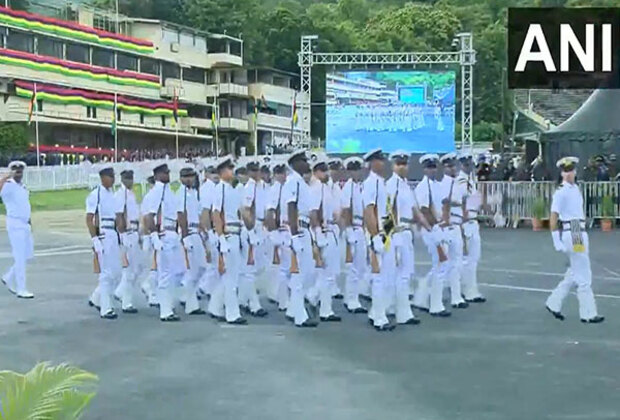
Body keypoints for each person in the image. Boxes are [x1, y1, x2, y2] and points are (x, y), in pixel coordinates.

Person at [545, 156, 604, 324]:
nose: (569, 174)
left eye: (571, 170)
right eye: (565, 171)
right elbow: (553, 217)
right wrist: (556, 239)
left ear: (575, 171)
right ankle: (588, 313)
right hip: (574, 231)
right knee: (583, 273)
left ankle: (554, 302)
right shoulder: (561, 192)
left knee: (574, 272)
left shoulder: (575, 189)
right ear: (562, 173)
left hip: (578, 229)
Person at [385, 151, 424, 325]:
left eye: (405, 164)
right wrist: (388, 236)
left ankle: (395, 308)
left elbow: (415, 211)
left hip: (407, 231)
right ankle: (402, 312)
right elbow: (389, 211)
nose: (402, 167)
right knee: (401, 275)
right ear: (393, 166)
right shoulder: (391, 184)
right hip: (397, 232)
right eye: (399, 163)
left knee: (405, 274)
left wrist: (428, 227)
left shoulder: (406, 185)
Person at [208, 156, 247, 325]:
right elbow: (216, 214)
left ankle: (215, 307)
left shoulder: (233, 190)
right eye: (229, 169)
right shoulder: (220, 189)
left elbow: (238, 214)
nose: (232, 171)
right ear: (222, 172)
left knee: (230, 276)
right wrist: (221, 237)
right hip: (228, 235)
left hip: (236, 233)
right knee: (231, 277)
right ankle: (232, 313)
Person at [282, 150, 318, 327]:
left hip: (305, 229)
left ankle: (293, 309)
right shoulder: (293, 181)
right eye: (303, 160)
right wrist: (294, 234)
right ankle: (299, 316)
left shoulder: (301, 182)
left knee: (306, 274)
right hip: (298, 230)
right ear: (295, 163)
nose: (307, 163)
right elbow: (291, 207)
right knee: (299, 275)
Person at [144, 163, 185, 322]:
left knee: (178, 271)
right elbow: (149, 216)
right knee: (165, 273)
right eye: (164, 172)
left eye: (168, 172)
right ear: (157, 175)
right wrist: (154, 237)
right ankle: (165, 310)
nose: (168, 174)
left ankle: (167, 302)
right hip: (164, 234)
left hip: (173, 233)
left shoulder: (169, 191)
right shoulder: (158, 191)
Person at [413, 154, 451, 317]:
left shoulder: (436, 185)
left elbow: (441, 205)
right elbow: (424, 211)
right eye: (429, 167)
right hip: (430, 229)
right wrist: (434, 226)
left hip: (437, 227)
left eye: (434, 166)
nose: (432, 170)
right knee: (441, 264)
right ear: (424, 169)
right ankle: (435, 305)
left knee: (439, 265)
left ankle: (421, 296)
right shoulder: (423, 187)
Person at [362, 148, 395, 331]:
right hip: (377, 233)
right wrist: (374, 237)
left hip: (385, 232)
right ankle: (379, 318)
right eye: (379, 160)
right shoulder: (371, 183)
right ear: (372, 163)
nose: (383, 163)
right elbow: (369, 211)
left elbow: (386, 211)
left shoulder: (380, 183)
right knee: (378, 276)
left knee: (385, 274)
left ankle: (376, 311)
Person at [85, 165, 123, 319]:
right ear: (103, 178)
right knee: (106, 273)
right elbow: (89, 218)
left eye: (113, 176)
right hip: (103, 234)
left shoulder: (111, 194)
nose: (113, 179)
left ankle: (96, 298)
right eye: (110, 176)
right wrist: (95, 239)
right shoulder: (96, 194)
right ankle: (105, 308)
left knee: (116, 272)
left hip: (113, 233)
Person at [307, 158, 340, 322]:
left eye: (326, 169)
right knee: (327, 273)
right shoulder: (316, 188)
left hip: (330, 230)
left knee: (326, 274)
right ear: (315, 172)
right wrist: (318, 234)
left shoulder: (326, 187)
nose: (326, 172)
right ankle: (312, 297)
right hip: (324, 232)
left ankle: (325, 308)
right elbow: (313, 213)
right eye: (322, 169)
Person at [0, 161, 34, 299]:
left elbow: (25, 205)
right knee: (19, 256)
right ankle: (21, 288)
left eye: (20, 169)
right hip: (15, 224)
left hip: (25, 224)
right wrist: (5, 177)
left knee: (27, 255)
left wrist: (30, 223)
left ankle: (8, 277)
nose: (18, 171)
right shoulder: (8, 186)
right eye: (15, 169)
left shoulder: (23, 187)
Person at [439, 153, 468, 309]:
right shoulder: (444, 184)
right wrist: (446, 223)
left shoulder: (457, 184)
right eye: (448, 166)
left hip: (457, 226)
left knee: (457, 263)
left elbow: (462, 204)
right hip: (448, 227)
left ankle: (456, 297)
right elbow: (444, 205)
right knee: (443, 264)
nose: (452, 168)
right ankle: (426, 293)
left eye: (453, 166)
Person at [239, 159, 268, 317]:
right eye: (253, 170)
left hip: (262, 227)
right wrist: (250, 231)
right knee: (249, 269)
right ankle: (254, 305)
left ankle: (242, 299)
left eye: (258, 170)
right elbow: (246, 210)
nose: (257, 173)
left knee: (258, 267)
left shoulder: (263, 186)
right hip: (252, 227)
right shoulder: (250, 187)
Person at [177, 167, 207, 316]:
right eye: (186, 177)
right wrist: (185, 236)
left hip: (197, 231)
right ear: (181, 178)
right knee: (192, 269)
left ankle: (187, 295)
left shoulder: (193, 194)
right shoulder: (181, 193)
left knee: (201, 267)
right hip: (188, 231)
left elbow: (199, 214)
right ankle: (190, 303)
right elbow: (181, 214)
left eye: (192, 176)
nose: (190, 179)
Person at [457, 152, 486, 303]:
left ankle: (470, 289)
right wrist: (462, 224)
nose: (469, 167)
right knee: (467, 259)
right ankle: (467, 290)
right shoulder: (461, 181)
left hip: (473, 220)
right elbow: (461, 203)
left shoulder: (471, 181)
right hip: (467, 222)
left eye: (470, 164)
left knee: (473, 259)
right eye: (466, 164)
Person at [340, 157, 368, 314]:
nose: (355, 172)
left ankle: (351, 296)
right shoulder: (348, 188)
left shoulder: (361, 187)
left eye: (357, 169)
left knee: (361, 267)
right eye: (352, 170)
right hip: (353, 228)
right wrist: (348, 230)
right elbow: (346, 211)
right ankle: (351, 300)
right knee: (353, 268)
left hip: (361, 228)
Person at [114, 169, 140, 313]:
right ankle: (126, 302)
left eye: (131, 178)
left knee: (135, 268)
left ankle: (120, 292)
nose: (130, 181)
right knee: (129, 269)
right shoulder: (121, 194)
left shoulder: (131, 194)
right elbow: (119, 215)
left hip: (134, 231)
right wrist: (122, 233)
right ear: (122, 179)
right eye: (128, 178)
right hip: (127, 233)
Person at [265, 162, 290, 312]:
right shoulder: (275, 189)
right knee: (282, 268)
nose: (283, 175)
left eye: (284, 172)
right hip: (279, 230)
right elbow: (271, 212)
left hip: (285, 230)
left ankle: (282, 297)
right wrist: (273, 232)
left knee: (284, 267)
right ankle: (282, 299)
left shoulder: (285, 188)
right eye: (280, 172)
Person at [198, 162, 219, 298]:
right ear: (206, 174)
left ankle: (206, 287)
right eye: (212, 172)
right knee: (213, 261)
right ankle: (203, 287)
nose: (215, 175)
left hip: (214, 227)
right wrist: (209, 231)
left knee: (213, 262)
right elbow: (205, 212)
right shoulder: (207, 188)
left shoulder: (214, 187)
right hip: (210, 227)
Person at [140, 175, 159, 307]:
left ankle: (152, 290)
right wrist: (149, 234)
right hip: (153, 232)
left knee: (157, 263)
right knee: (155, 263)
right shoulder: (152, 197)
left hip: (151, 232)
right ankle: (150, 289)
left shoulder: (149, 196)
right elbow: (146, 217)